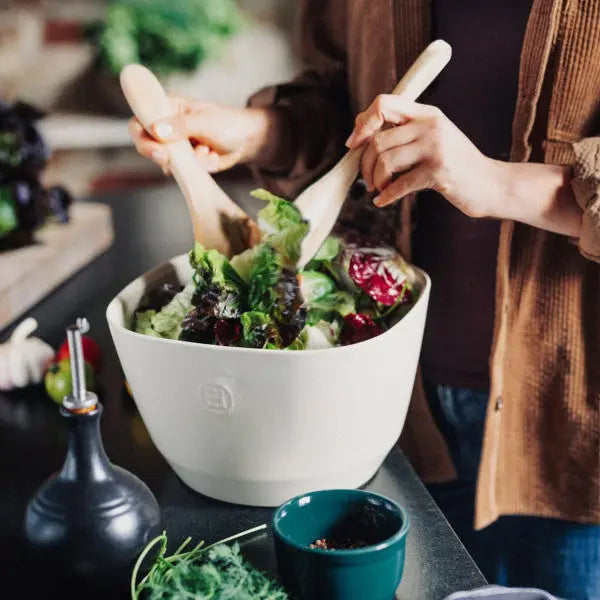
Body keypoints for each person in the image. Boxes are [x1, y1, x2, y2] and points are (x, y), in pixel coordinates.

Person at [129, 2, 600, 598]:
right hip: (393, 414)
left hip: (568, 425)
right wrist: (260, 131)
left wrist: (498, 182)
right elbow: (344, 99)